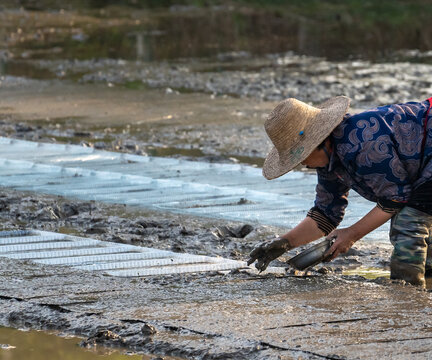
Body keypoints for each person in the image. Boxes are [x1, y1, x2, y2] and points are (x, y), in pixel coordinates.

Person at [247, 95, 432, 287]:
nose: (301, 163)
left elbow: (395, 198)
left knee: (409, 223)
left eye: (301, 155)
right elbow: (326, 215)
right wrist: (285, 242)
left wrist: (351, 234)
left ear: (319, 141)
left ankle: (407, 296)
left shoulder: (362, 143)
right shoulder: (328, 162)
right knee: (423, 225)